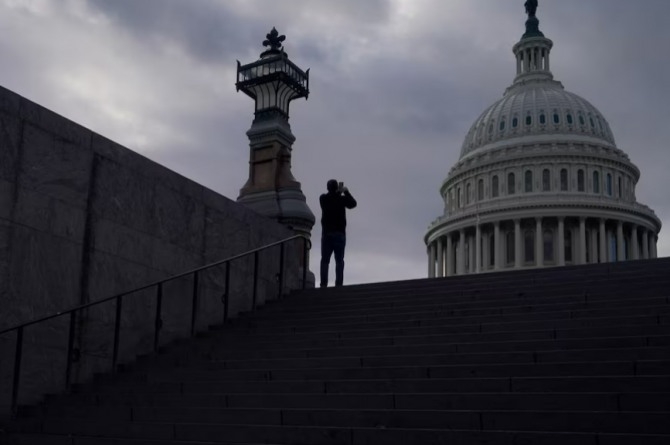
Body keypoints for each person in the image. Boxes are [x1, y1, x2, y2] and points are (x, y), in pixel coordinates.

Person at [319, 179, 357, 287]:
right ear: (337, 188)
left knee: (325, 260)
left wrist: (337, 193)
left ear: (327, 188)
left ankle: (323, 284)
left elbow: (331, 199)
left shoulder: (323, 198)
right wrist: (345, 191)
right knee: (339, 260)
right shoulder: (341, 199)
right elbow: (353, 204)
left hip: (327, 234)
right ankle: (339, 284)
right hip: (339, 234)